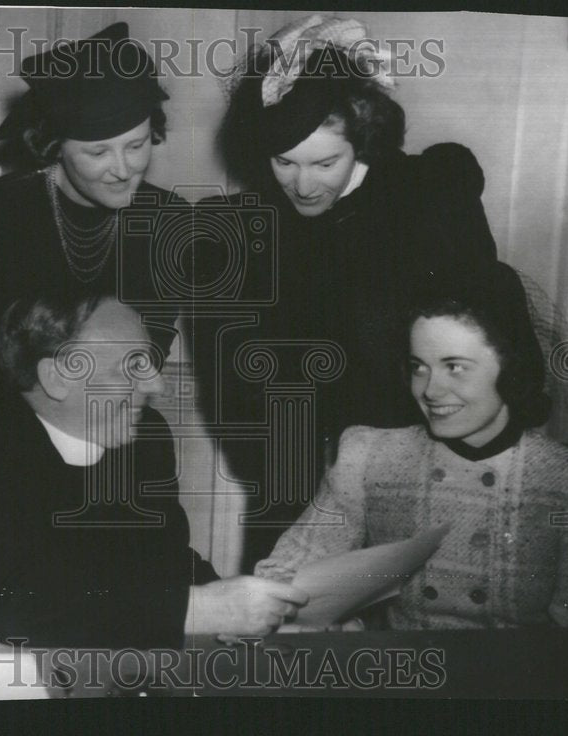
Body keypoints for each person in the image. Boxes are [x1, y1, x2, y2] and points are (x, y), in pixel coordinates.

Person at [196, 15, 499, 569]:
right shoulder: (243, 235)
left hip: (419, 481)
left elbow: (478, 350)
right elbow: (236, 393)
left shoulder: (430, 203)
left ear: (362, 140)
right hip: (295, 492)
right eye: (284, 162)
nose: (303, 184)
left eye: (324, 162)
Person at [0, 291, 308, 648]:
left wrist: (265, 609)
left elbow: (165, 559)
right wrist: (205, 610)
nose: (157, 386)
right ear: (57, 378)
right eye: (132, 366)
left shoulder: (145, 441)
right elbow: (17, 606)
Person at [255, 261, 568, 629]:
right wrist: (316, 620)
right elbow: (290, 569)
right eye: (420, 367)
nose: (430, 390)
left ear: (511, 367)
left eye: (455, 367)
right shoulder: (369, 456)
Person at [0, 22, 184, 427]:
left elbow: (143, 363)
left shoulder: (170, 222)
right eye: (98, 152)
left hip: (109, 436)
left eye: (137, 145)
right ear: (54, 147)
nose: (123, 169)